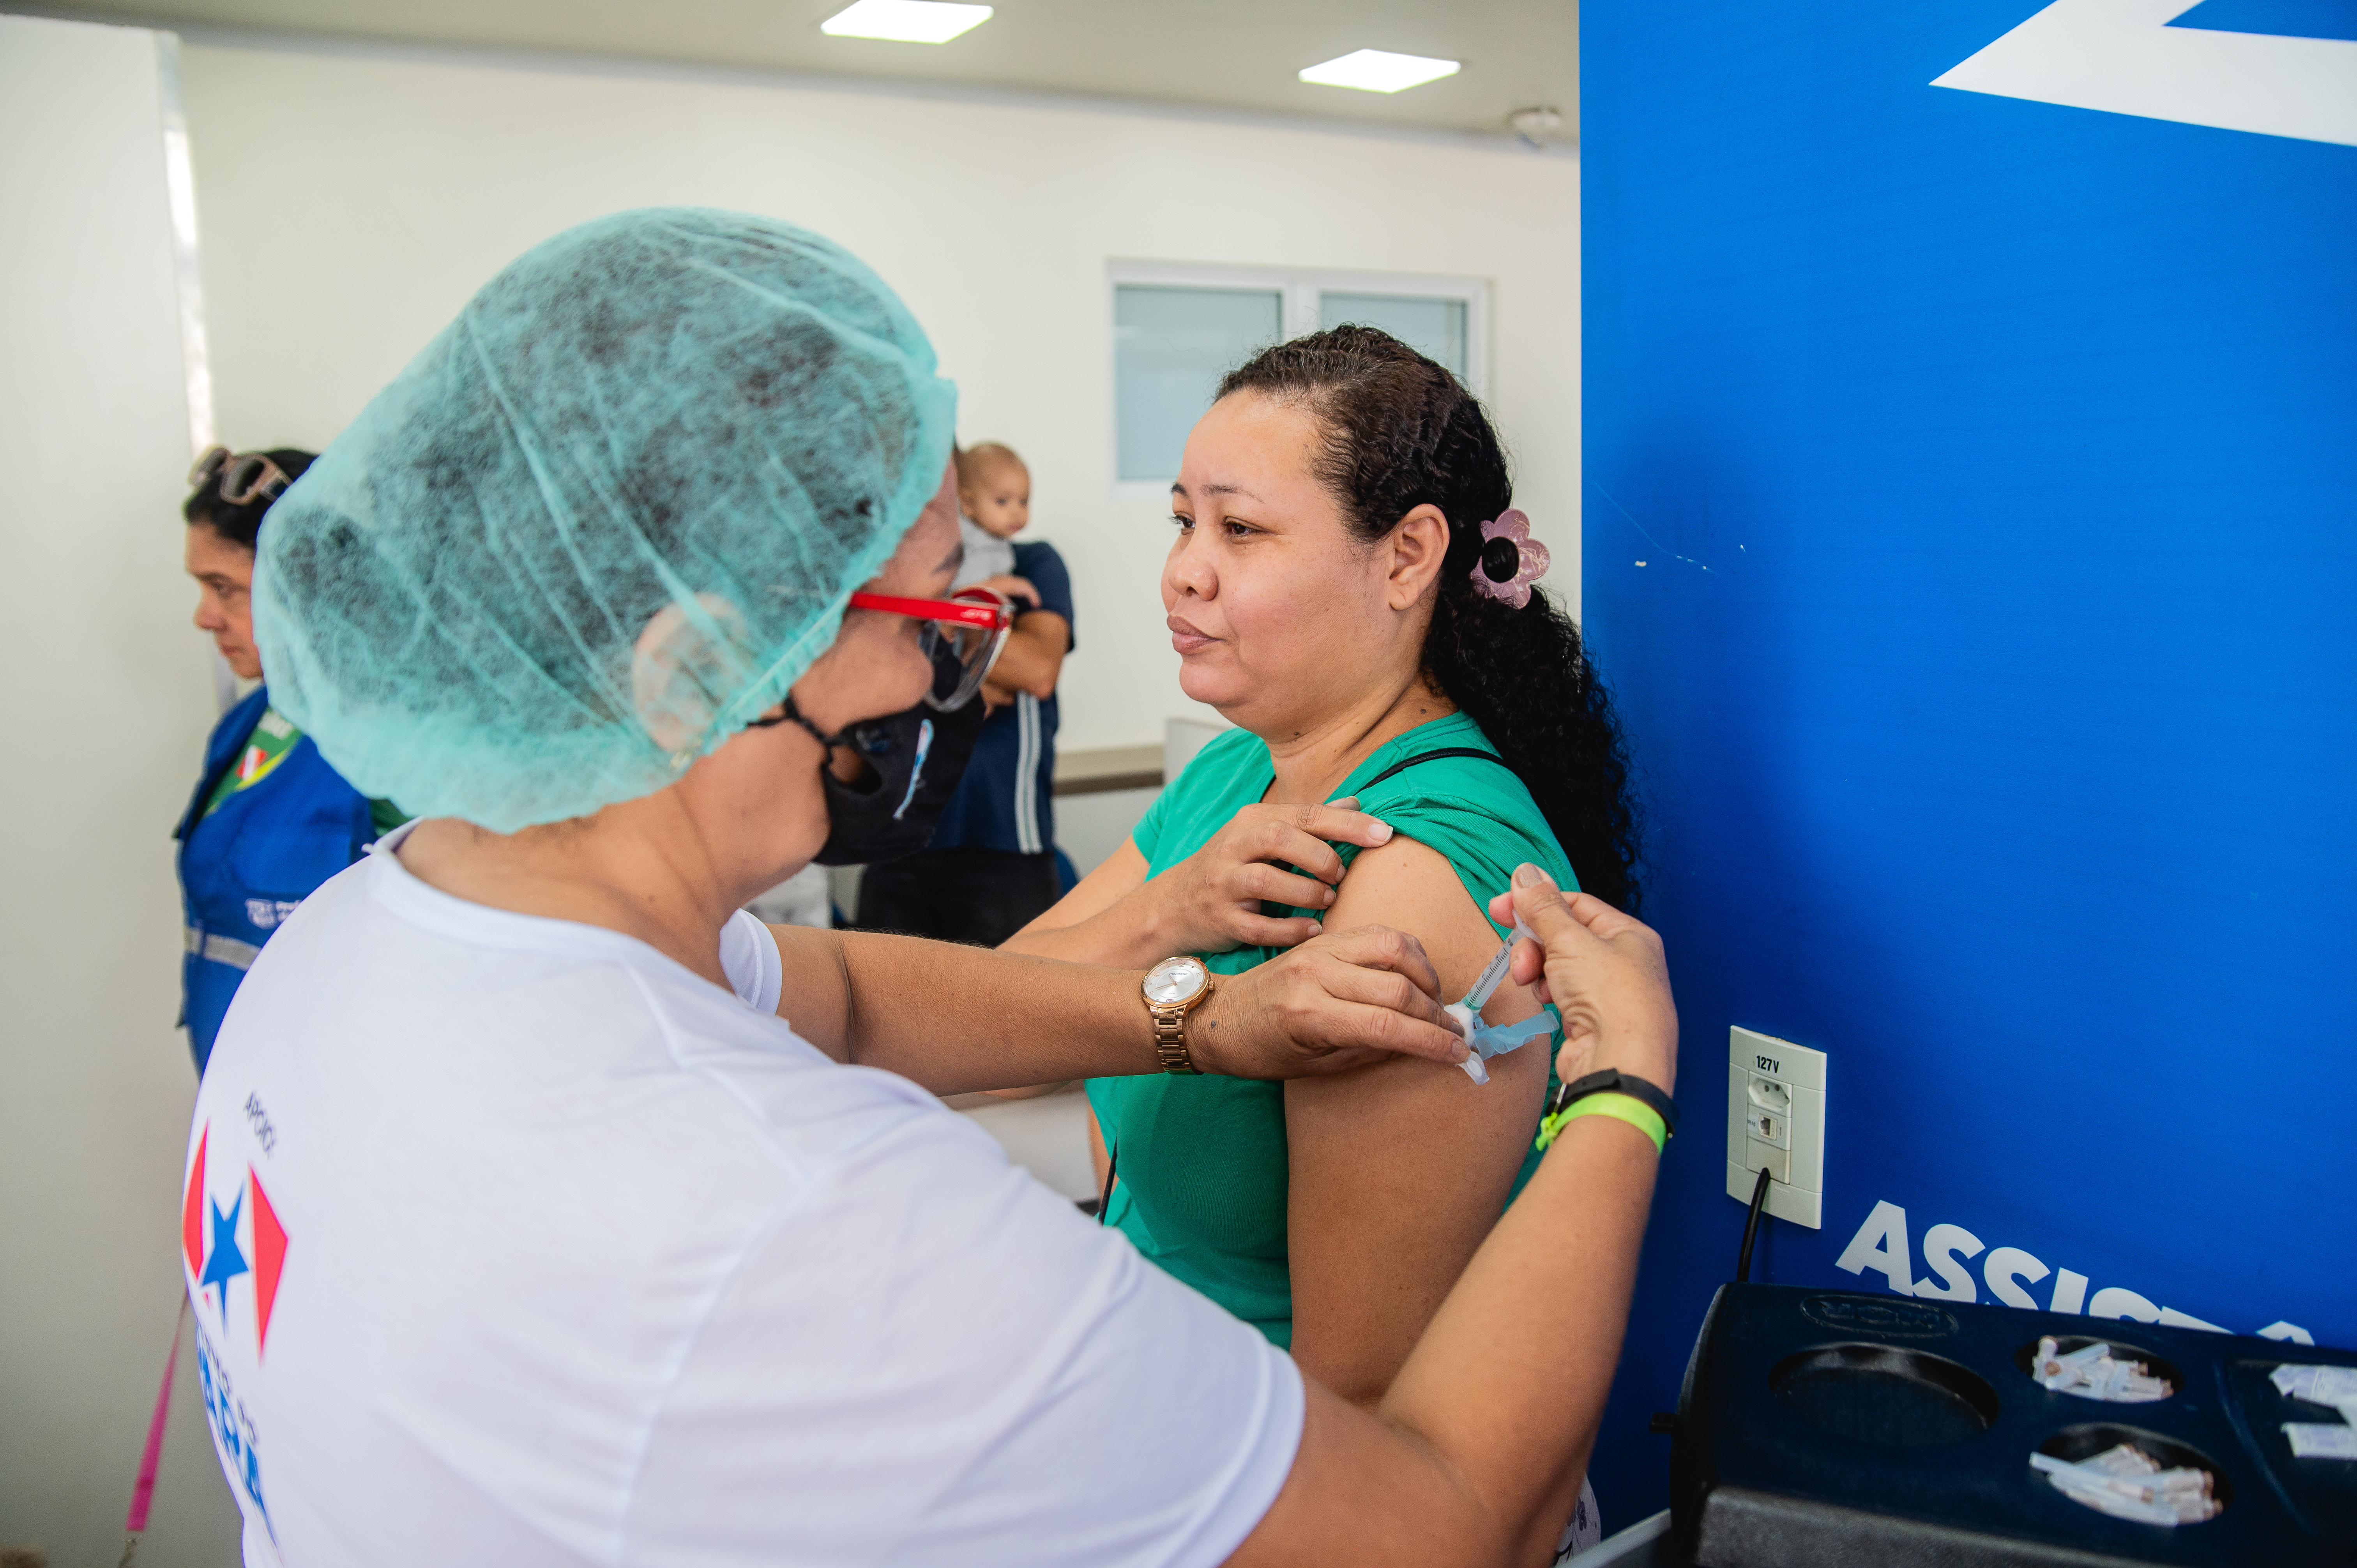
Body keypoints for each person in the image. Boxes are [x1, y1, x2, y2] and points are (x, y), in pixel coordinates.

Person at [180, 209, 1679, 1568]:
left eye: (1238, 528)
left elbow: (833, 990)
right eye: (921, 610)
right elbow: (1434, 1535)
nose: (946, 664)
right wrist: (1619, 1096)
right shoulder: (825, 1221)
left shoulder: (359, 931)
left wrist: (1207, 1021)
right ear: (696, 663)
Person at [1005, 327, 1641, 1439]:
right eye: (1182, 520)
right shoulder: (1238, 770)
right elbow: (996, 1022)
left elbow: (1363, 1415)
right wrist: (1166, 913)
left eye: (1240, 528)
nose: (1184, 569)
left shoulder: (1415, 881)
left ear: (1407, 557)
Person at [175, 445, 405, 1073]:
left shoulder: (395, 742)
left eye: (226, 589)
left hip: (342, 1100)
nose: (204, 617)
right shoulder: (246, 724)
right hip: (242, 1092)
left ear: (310, 580)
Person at [856, 441, 1074, 943]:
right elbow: (871, 676)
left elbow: (1037, 672)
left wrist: (930, 623)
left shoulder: (1032, 564)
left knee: (1015, 1012)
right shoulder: (897, 576)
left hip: (1004, 843)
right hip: (898, 840)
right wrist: (968, 615)